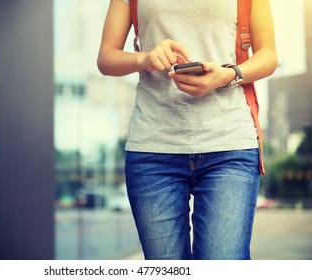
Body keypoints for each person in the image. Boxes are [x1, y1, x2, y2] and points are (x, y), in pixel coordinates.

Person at [97, 0, 277, 260]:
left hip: (229, 147)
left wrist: (227, 74)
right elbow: (106, 57)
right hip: (153, 150)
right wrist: (145, 58)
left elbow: (268, 55)